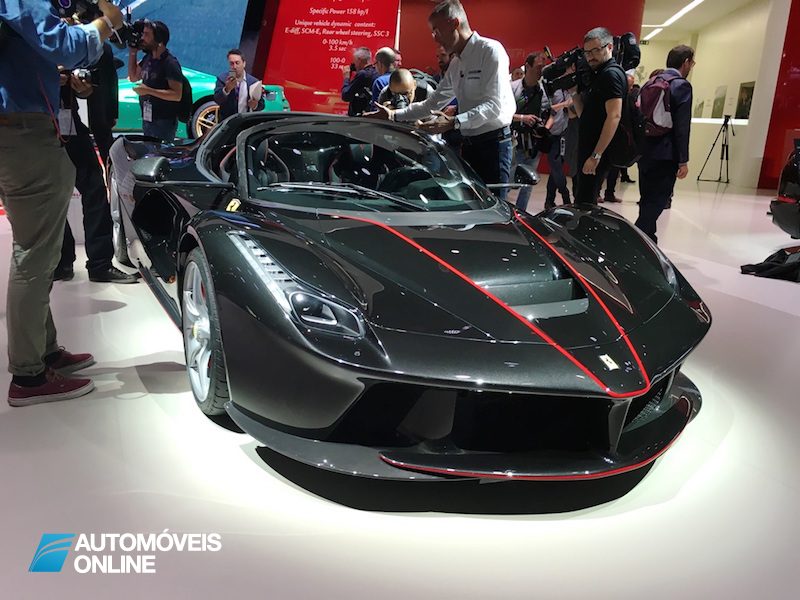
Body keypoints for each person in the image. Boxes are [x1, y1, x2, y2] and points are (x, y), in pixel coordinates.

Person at [0, 0, 124, 406]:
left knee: (36, 249)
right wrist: (106, 23)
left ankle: (44, 350)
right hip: (24, 131)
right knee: (35, 254)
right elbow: (65, 45)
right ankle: (29, 375)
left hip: (18, 130)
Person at [372, 0, 515, 196]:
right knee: (470, 203)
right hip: (469, 146)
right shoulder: (456, 64)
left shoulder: (490, 51)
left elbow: (494, 106)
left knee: (494, 207)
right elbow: (432, 104)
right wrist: (393, 115)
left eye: (436, 31)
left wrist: (454, 122)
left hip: (494, 146)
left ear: (455, 23)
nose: (435, 38)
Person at [53, 69, 139, 283]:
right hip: (38, 130)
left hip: (70, 126)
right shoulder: (23, 53)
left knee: (96, 192)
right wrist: (48, 76)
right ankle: (62, 262)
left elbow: (84, 92)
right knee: (50, 200)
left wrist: (82, 87)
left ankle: (99, 264)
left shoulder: (63, 54)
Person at [635, 45, 695, 243]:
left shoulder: (650, 82)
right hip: (666, 153)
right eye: (692, 63)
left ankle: (648, 240)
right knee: (658, 200)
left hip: (645, 150)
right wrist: (683, 160)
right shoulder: (681, 86)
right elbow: (682, 127)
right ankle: (637, 238)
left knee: (646, 199)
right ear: (686, 62)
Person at [570, 27, 626, 205]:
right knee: (583, 199)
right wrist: (574, 94)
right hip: (589, 148)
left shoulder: (611, 74)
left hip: (596, 152)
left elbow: (614, 115)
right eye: (587, 52)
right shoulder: (599, 74)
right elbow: (585, 116)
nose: (590, 57)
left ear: (609, 47)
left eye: (595, 50)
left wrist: (596, 156)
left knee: (585, 203)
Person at [510, 52, 552, 212]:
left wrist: (545, 128)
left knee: (528, 183)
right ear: (527, 66)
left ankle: (521, 212)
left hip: (534, 143)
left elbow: (549, 113)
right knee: (509, 180)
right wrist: (522, 118)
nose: (541, 70)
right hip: (513, 141)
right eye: (538, 67)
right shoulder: (513, 88)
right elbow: (503, 114)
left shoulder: (543, 90)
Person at [127, 20, 182, 142]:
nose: (142, 38)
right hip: (148, 117)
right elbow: (133, 77)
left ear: (159, 40)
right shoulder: (148, 58)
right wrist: (133, 52)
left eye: (147, 35)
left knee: (160, 152)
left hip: (164, 120)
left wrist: (149, 91)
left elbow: (176, 95)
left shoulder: (170, 63)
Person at [214, 48, 264, 123]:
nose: (234, 67)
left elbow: (261, 105)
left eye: (237, 63)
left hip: (246, 122)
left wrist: (255, 105)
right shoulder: (222, 79)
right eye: (232, 63)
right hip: (227, 122)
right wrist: (226, 89)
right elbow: (217, 100)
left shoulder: (253, 82)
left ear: (244, 64)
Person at [341, 46, 376, 116]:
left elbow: (346, 95)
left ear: (359, 60)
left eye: (354, 61)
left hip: (360, 116)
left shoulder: (362, 75)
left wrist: (346, 78)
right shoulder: (376, 72)